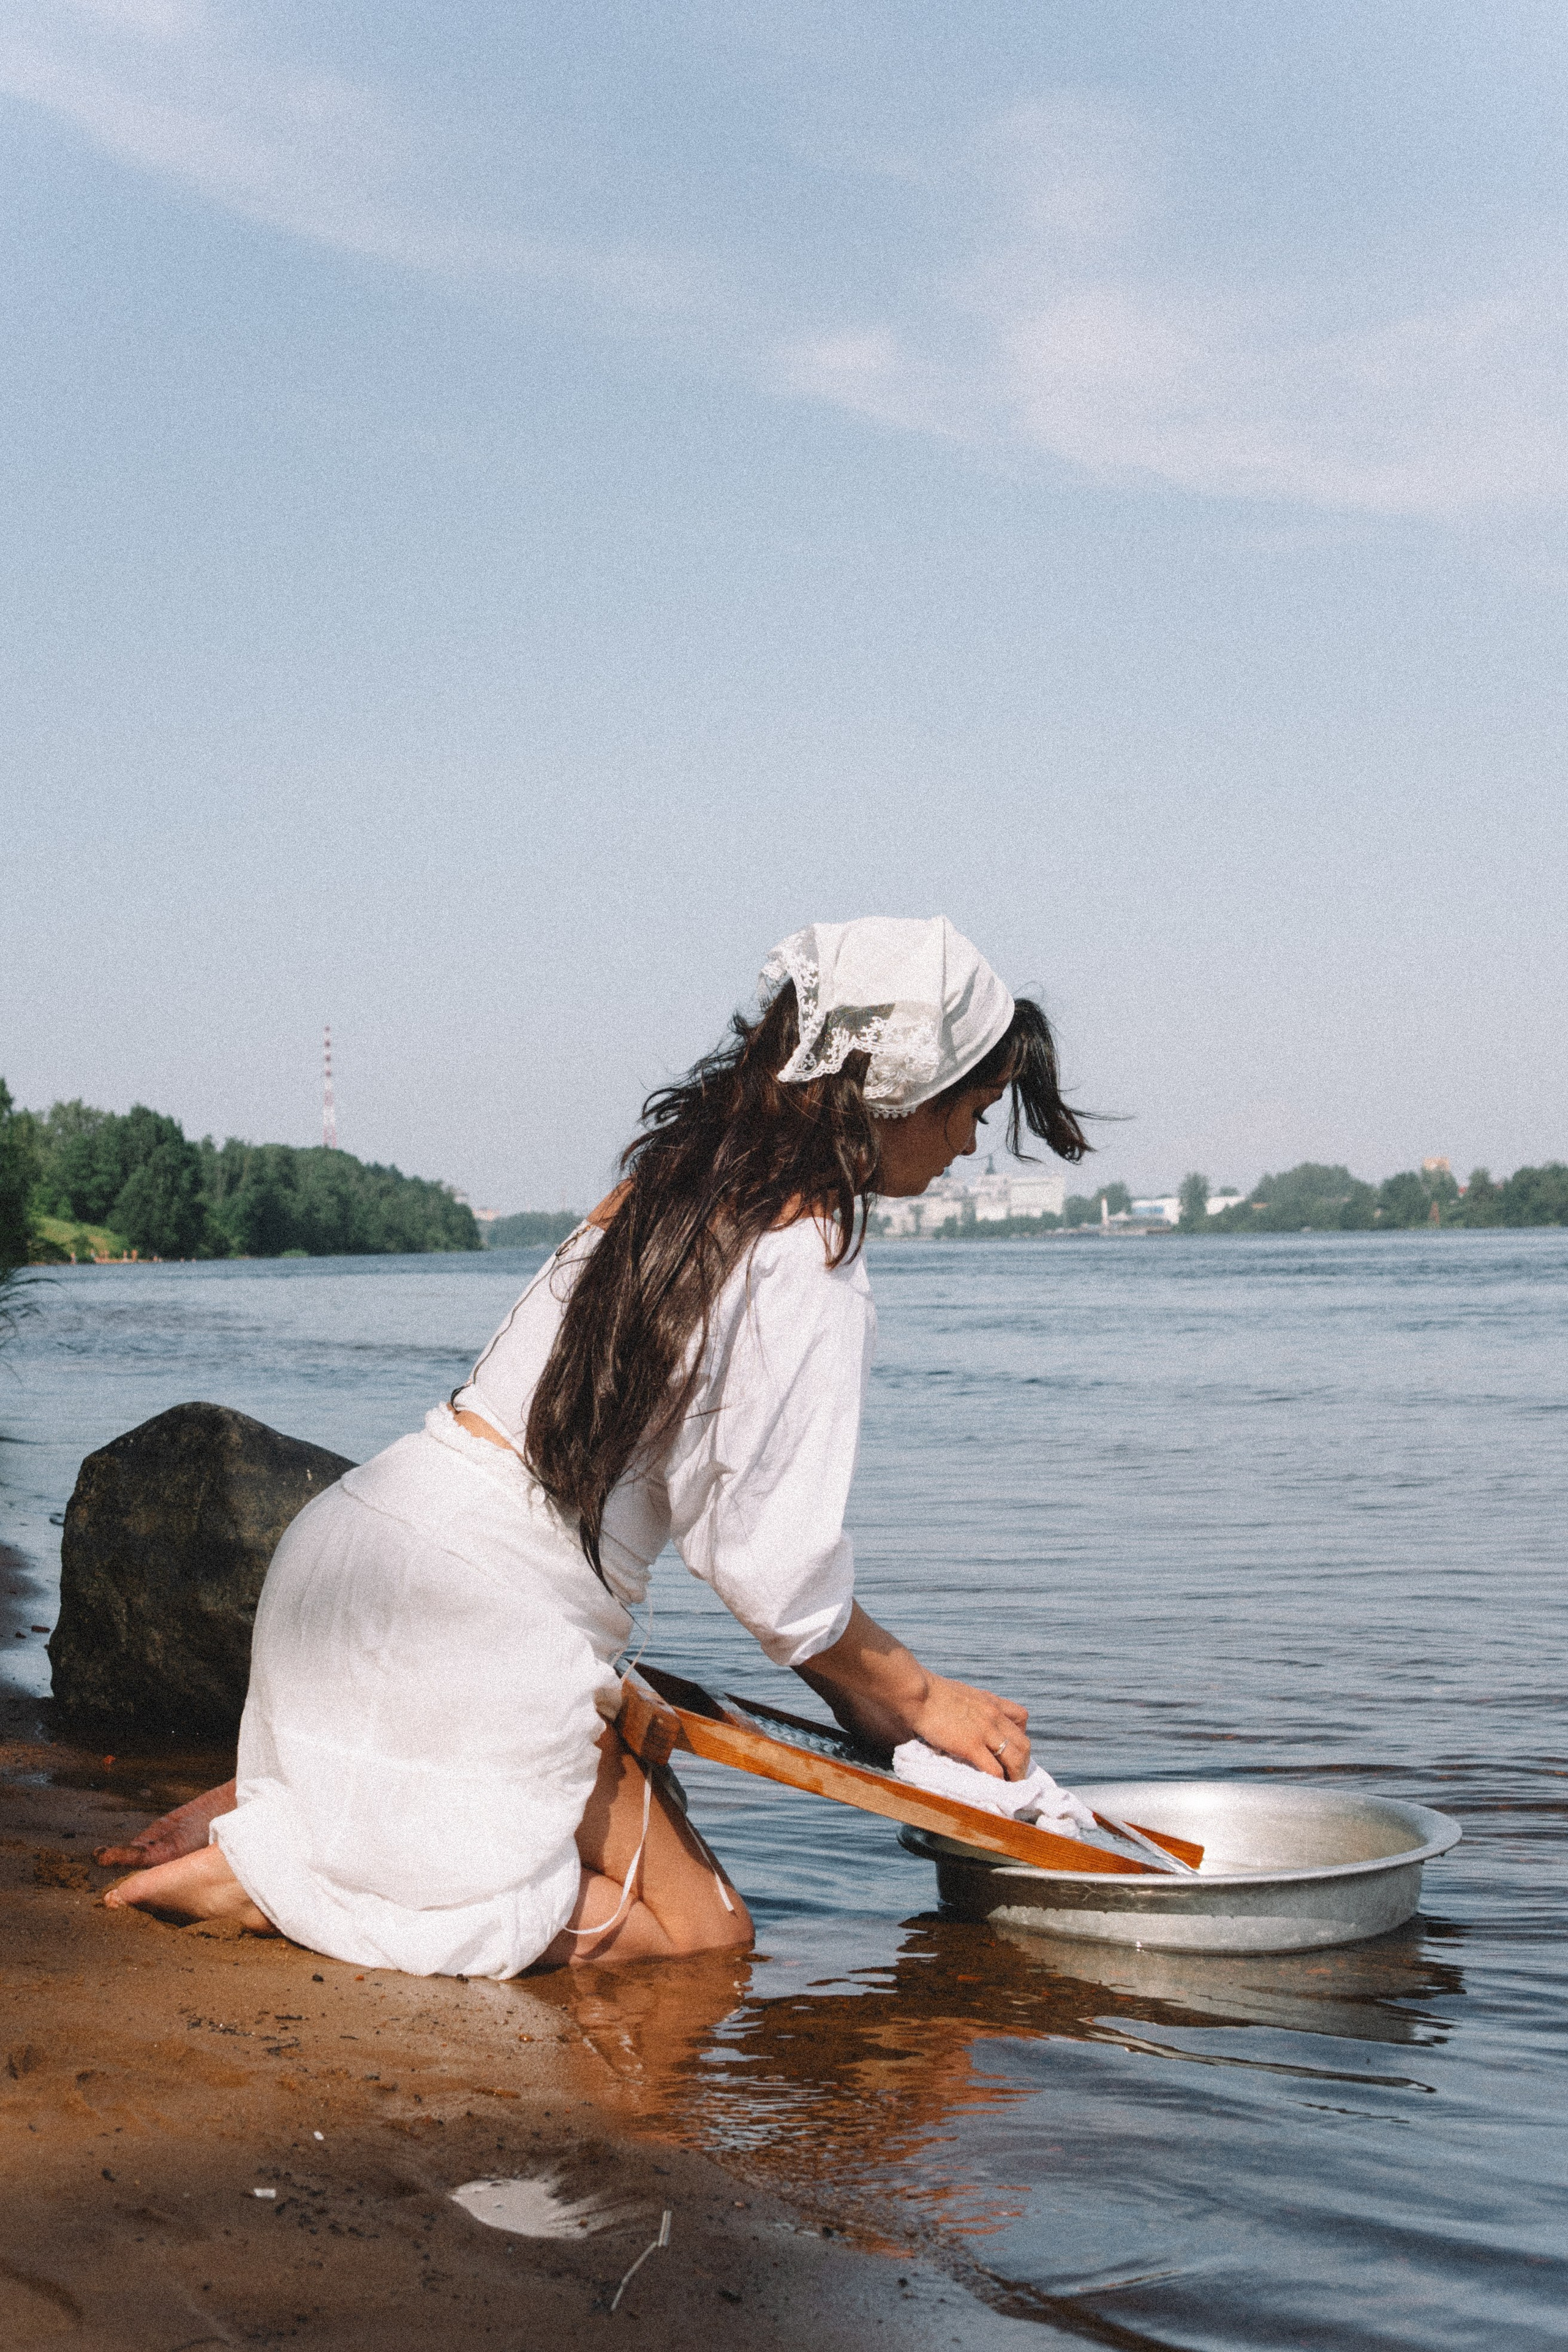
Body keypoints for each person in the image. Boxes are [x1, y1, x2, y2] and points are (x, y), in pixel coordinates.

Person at [102, 917, 1089, 1977]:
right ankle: (286, 1883)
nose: (969, 1146)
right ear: (899, 1084)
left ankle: (313, 1819)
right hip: (469, 1628)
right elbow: (770, 1571)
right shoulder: (808, 1254)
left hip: (343, 1559)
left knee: (625, 1751)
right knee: (702, 1938)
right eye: (973, 1110)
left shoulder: (668, 1183)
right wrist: (923, 1700)